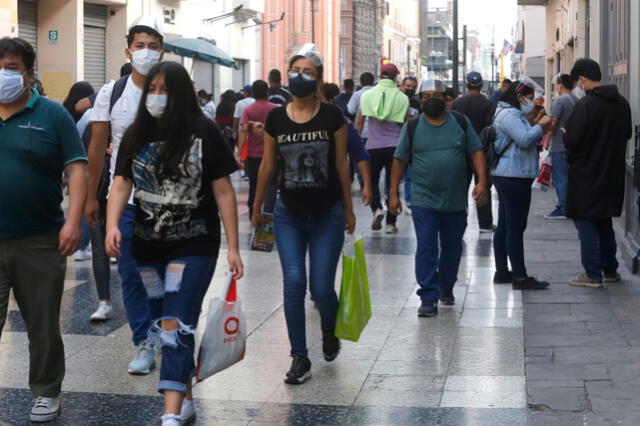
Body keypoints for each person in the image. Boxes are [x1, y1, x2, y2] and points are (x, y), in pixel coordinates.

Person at [105, 61, 243, 426]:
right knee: (160, 318)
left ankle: (169, 414)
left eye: (165, 89)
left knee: (175, 321)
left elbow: (223, 189)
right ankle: (185, 397)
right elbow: (121, 182)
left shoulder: (204, 131)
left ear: (181, 93)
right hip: (147, 246)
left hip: (194, 243)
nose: (157, 96)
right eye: (152, 88)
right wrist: (111, 226)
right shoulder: (137, 132)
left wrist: (233, 246)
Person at [251, 44, 355, 385]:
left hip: (327, 213)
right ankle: (299, 356)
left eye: (308, 72)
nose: (300, 76)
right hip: (288, 214)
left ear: (319, 79)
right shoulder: (276, 118)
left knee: (322, 287)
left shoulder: (331, 116)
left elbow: (341, 163)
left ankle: (329, 327)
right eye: (295, 70)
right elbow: (268, 165)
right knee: (294, 283)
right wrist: (257, 208)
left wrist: (349, 209)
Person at [0, 37, 88, 422]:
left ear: (30, 73)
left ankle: (46, 391)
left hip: (39, 238)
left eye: (12, 67)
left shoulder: (53, 114)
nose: (4, 74)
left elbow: (78, 168)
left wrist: (73, 220)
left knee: (42, 322)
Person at [86, 15, 164, 375]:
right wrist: (90, 198)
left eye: (152, 46)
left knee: (163, 275)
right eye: (140, 46)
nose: (145, 52)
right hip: (128, 201)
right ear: (128, 51)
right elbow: (98, 147)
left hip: (171, 204)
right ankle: (143, 340)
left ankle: (165, 329)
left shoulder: (174, 92)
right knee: (132, 273)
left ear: (162, 52)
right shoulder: (111, 93)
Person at [389, 78, 489, 317]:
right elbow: (399, 160)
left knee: (453, 246)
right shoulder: (412, 127)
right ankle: (428, 295)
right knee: (426, 245)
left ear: (446, 100)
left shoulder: (460, 122)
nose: (431, 100)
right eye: (426, 96)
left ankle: (446, 285)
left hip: (455, 199)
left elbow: (476, 151)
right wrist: (393, 194)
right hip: (424, 198)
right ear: (420, 101)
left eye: (436, 96)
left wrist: (483, 181)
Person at [564, 59, 632, 288]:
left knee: (585, 222)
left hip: (587, 174)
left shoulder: (586, 106)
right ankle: (610, 270)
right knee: (604, 221)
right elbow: (627, 135)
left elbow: (572, 139)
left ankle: (592, 274)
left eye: (577, 82)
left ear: (582, 79)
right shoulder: (622, 103)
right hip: (612, 174)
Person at [491, 79, 552, 290]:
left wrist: (536, 125)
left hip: (510, 174)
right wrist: (541, 126)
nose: (531, 102)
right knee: (515, 227)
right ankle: (520, 277)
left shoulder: (510, 113)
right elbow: (525, 139)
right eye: (529, 98)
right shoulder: (509, 115)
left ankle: (502, 271)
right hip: (513, 176)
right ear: (519, 97)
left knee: (506, 225)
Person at [356, 63, 409, 234]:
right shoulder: (401, 97)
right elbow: (408, 124)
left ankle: (377, 209)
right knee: (392, 185)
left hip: (373, 146)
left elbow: (359, 122)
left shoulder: (368, 95)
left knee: (371, 182)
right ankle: (391, 224)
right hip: (395, 148)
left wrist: (355, 145)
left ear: (380, 75)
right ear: (395, 77)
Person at [452, 71, 496, 232]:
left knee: (460, 188)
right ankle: (485, 223)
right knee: (483, 185)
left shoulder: (458, 104)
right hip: (482, 152)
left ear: (466, 84)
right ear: (481, 85)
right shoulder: (489, 103)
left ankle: (459, 222)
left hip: (461, 151)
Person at [321, 82, 372, 205]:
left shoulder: (342, 123)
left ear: (330, 101)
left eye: (319, 99)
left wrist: (367, 185)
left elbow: (360, 154)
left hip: (333, 189)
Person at [63, 82, 96, 261]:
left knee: (81, 202)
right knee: (88, 202)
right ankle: (84, 244)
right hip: (87, 164)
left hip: (72, 163)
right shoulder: (90, 114)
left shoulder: (64, 111)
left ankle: (81, 246)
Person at [238, 80, 279, 218]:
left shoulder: (248, 110)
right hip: (272, 153)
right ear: (267, 93)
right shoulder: (276, 109)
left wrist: (239, 153)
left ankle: (252, 213)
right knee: (271, 183)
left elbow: (244, 131)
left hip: (253, 154)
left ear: (253, 93)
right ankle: (269, 212)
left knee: (254, 183)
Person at [543, 74, 578, 220]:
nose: (555, 87)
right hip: (573, 145)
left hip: (559, 144)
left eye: (556, 84)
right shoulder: (576, 99)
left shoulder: (560, 100)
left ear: (561, 85)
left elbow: (553, 123)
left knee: (560, 177)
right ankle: (570, 206)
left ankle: (562, 207)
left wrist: (546, 142)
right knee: (569, 177)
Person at [399, 75, 420, 214]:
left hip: (415, 141)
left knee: (410, 173)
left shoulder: (418, 102)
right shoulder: (398, 100)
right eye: (408, 86)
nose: (410, 89)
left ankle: (409, 200)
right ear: (402, 86)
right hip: (399, 139)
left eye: (413, 87)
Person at [347, 72, 375, 142]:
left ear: (361, 82)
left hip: (362, 132)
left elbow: (350, 110)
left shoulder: (357, 95)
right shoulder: (378, 93)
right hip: (376, 132)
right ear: (373, 81)